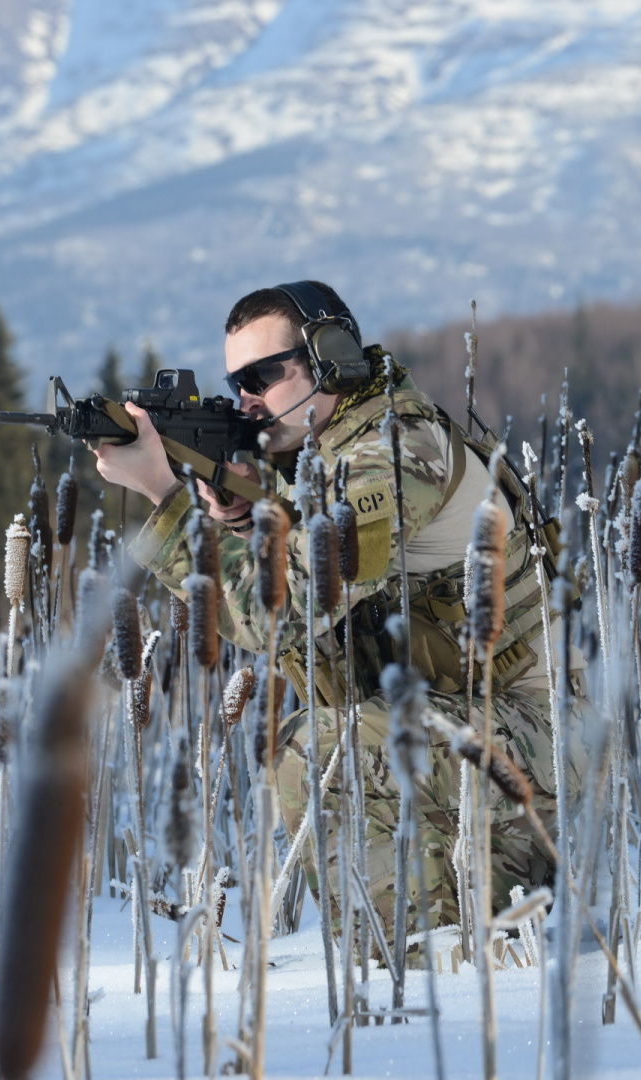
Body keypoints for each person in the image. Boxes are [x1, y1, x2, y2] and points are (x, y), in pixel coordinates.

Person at [95, 280, 557, 928]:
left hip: (536, 754)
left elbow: (274, 616)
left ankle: (413, 954)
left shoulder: (398, 452)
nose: (247, 401)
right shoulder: (323, 456)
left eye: (261, 375)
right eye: (237, 386)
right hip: (459, 748)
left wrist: (162, 495)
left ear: (330, 360)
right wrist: (241, 511)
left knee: (313, 751)